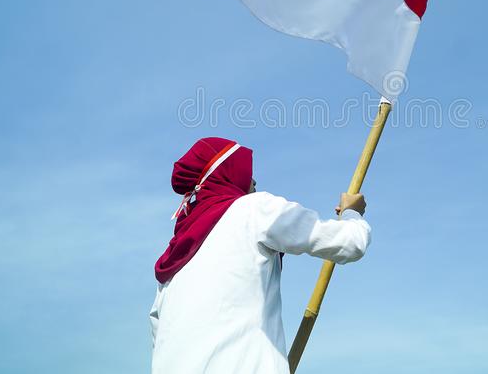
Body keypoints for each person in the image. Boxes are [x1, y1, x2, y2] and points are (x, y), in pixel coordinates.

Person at [150, 137, 371, 374]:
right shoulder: (254, 210)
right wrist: (352, 214)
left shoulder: (172, 265)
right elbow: (350, 243)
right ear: (229, 175)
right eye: (245, 172)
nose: (253, 180)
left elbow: (159, 339)